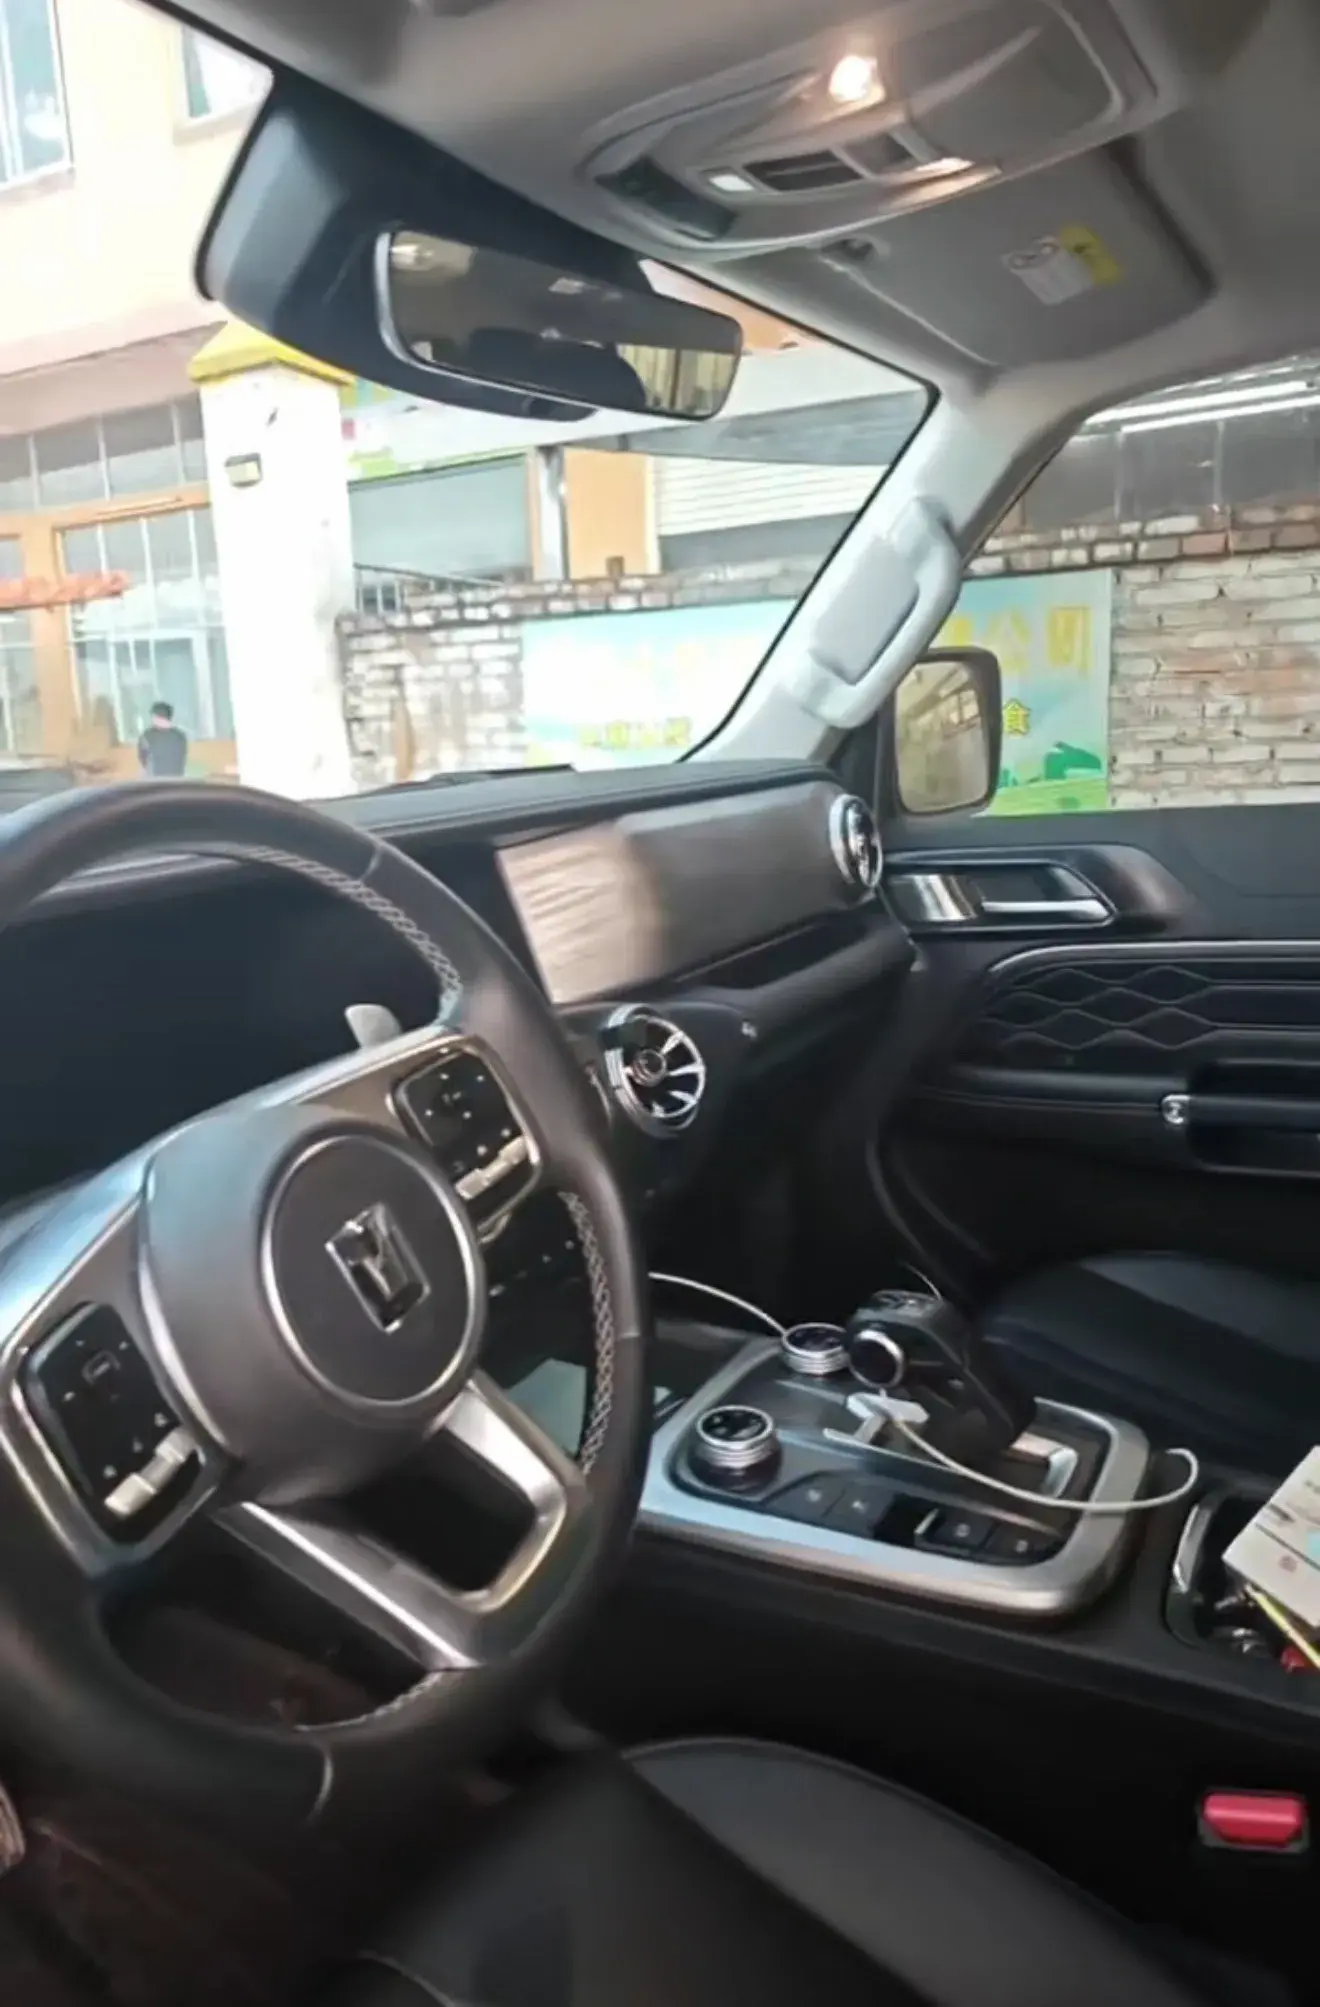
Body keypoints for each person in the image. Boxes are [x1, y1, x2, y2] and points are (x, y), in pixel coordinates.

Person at [137, 700, 188, 779]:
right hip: (177, 782)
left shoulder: (147, 736)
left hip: (155, 783)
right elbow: (183, 760)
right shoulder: (180, 736)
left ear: (157, 717)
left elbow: (143, 763)